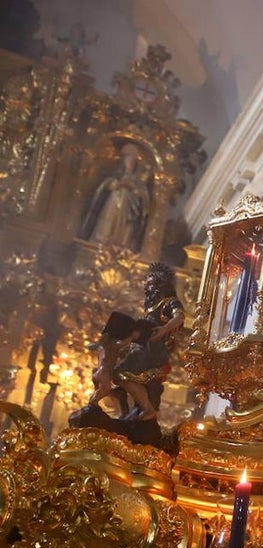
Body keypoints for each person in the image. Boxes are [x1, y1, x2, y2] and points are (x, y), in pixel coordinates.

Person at [111, 262, 186, 420]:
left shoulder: (169, 302)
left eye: (151, 284)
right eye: (147, 283)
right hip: (142, 348)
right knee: (117, 375)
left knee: (120, 373)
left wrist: (164, 330)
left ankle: (147, 409)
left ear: (161, 284)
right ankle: (130, 410)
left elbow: (180, 316)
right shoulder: (151, 308)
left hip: (153, 351)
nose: (147, 287)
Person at [81, 142, 151, 252]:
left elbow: (143, 197)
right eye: (128, 159)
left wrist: (134, 190)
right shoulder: (115, 175)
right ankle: (102, 241)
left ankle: (122, 245)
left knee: (127, 223)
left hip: (129, 209)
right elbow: (105, 187)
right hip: (113, 204)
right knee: (109, 221)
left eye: (133, 160)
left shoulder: (138, 181)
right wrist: (118, 185)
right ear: (123, 161)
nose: (130, 163)